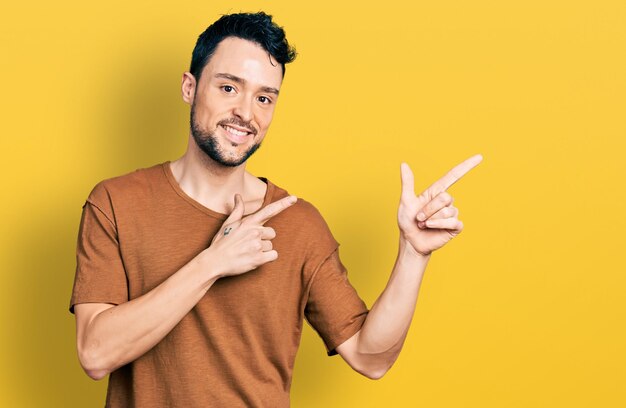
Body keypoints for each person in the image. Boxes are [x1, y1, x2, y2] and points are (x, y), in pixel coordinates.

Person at [69, 11, 482, 407]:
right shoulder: (116, 203)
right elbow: (95, 353)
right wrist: (213, 262)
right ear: (189, 88)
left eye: (264, 98)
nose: (246, 113)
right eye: (229, 87)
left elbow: (370, 358)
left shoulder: (298, 223)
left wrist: (414, 253)